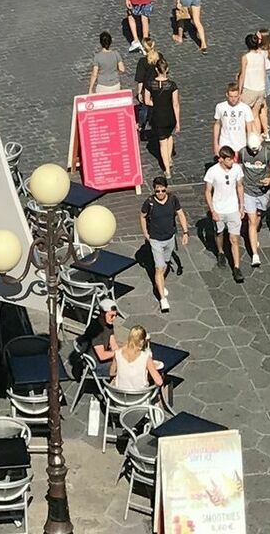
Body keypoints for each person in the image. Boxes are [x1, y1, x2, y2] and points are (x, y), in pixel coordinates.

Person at [139, 175, 189, 310]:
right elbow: (142, 216)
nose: (160, 193)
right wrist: (145, 233)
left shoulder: (173, 199)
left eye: (162, 190)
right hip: (155, 239)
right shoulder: (149, 202)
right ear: (154, 190)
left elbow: (181, 214)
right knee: (159, 268)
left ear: (166, 189)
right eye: (157, 191)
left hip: (169, 238)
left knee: (165, 263)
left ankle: (158, 283)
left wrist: (185, 232)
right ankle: (162, 299)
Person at [204, 147, 246, 282]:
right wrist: (213, 211)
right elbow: (207, 191)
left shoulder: (237, 169)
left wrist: (241, 206)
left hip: (233, 208)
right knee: (219, 233)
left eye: (233, 158)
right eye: (229, 159)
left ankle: (237, 267)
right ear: (221, 159)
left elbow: (240, 186)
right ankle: (221, 251)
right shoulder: (213, 172)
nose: (232, 162)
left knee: (234, 239)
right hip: (219, 209)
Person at [240, 130, 270, 268]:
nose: (253, 153)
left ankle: (254, 232)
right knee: (251, 221)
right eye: (251, 151)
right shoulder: (242, 152)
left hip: (262, 191)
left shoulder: (267, 153)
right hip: (248, 190)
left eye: (255, 151)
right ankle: (255, 254)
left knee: (259, 215)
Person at [145, 57, 180, 179]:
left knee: (162, 143)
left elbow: (146, 101)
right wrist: (178, 122)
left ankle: (167, 170)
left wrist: (156, 103)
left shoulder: (150, 84)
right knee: (169, 136)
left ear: (156, 69)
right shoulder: (172, 85)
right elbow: (175, 104)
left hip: (157, 116)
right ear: (167, 69)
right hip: (169, 115)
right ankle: (169, 159)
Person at [111, 324, 166, 395]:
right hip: (140, 399)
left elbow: (111, 373)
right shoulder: (145, 357)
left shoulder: (117, 353)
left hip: (120, 399)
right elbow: (159, 382)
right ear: (142, 341)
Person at [236, 34, 270, 138]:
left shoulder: (246, 57)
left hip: (249, 89)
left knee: (244, 114)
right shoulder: (261, 56)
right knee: (255, 115)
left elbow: (242, 75)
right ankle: (258, 137)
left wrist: (239, 90)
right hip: (260, 88)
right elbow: (264, 72)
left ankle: (250, 137)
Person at [213, 81, 258, 158]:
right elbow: (217, 124)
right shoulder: (220, 107)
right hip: (225, 143)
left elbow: (249, 127)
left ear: (239, 95)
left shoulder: (245, 108)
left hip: (241, 145)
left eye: (235, 96)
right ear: (227, 95)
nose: (233, 99)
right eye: (231, 96)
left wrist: (250, 143)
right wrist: (216, 144)